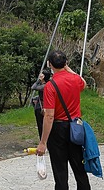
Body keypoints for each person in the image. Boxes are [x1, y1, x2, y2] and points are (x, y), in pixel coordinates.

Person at [36, 50, 90, 190]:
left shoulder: (50, 86)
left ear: (49, 64)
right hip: (75, 128)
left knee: (60, 172)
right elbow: (83, 83)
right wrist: (68, 68)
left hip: (58, 129)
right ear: (66, 63)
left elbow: (49, 116)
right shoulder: (75, 79)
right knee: (79, 168)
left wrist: (43, 142)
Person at [31, 68, 52, 139]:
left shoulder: (44, 86)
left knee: (41, 125)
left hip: (42, 107)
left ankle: (43, 141)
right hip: (45, 106)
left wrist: (39, 80)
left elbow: (33, 87)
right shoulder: (49, 83)